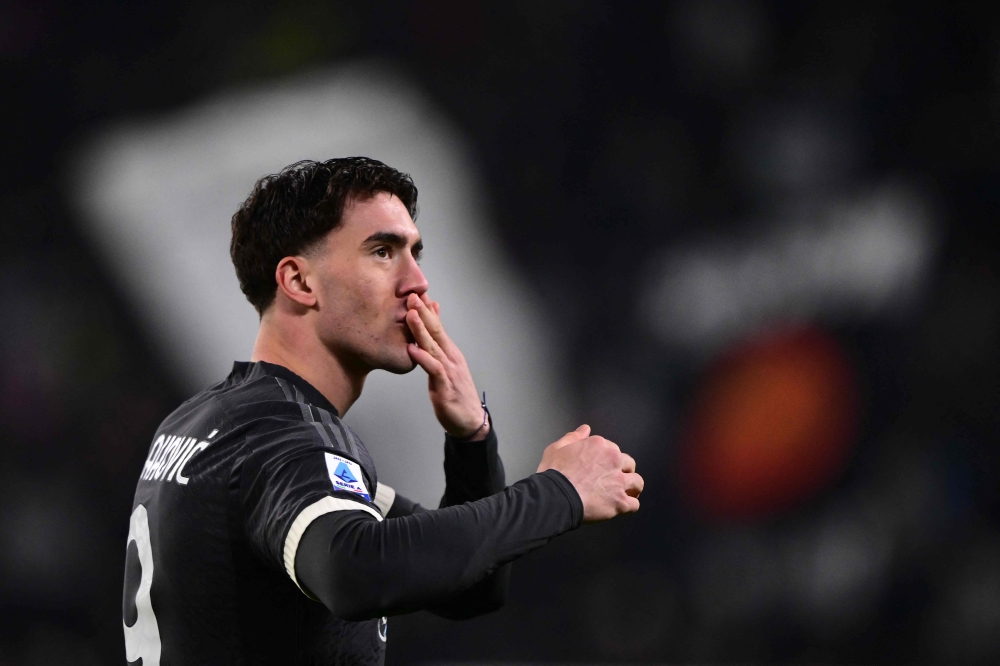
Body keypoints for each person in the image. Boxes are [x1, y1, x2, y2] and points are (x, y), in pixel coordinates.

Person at [122, 157, 643, 665]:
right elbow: (356, 571)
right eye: (382, 251)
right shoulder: (281, 433)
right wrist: (561, 492)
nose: (417, 281)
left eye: (415, 253)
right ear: (300, 283)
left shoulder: (208, 421)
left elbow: (470, 589)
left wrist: (471, 440)